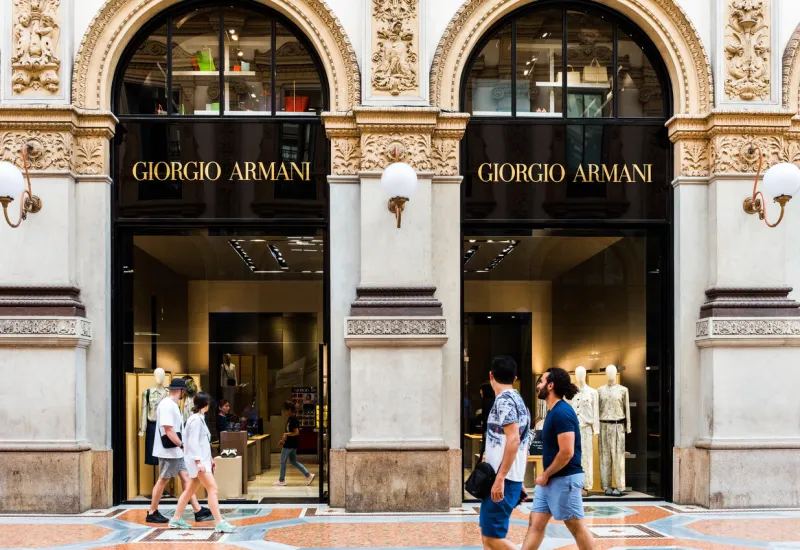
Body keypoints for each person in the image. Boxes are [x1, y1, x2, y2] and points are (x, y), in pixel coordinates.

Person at [522, 367, 594, 550]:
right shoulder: (553, 411)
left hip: (565, 479)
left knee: (576, 527)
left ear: (551, 385)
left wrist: (545, 475)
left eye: (541, 381)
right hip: (550, 481)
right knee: (535, 524)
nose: (538, 385)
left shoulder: (562, 412)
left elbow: (567, 452)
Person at [480, 356, 530, 550]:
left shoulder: (504, 401)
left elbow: (515, 439)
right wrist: (520, 479)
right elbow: (525, 442)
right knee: (489, 538)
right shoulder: (520, 402)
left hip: (503, 480)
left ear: (490, 375)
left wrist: (501, 477)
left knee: (492, 538)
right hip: (509, 478)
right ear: (515, 377)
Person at [146, 378, 212, 524]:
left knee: (186, 477)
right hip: (169, 450)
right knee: (163, 479)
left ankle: (198, 510)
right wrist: (183, 445)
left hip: (175, 450)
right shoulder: (167, 405)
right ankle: (152, 511)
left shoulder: (172, 405)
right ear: (181, 391)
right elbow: (169, 430)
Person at [168, 392, 235, 533]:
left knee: (190, 490)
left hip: (201, 461)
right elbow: (193, 443)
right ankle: (219, 522)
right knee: (213, 489)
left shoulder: (198, 419)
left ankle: (176, 518)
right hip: (198, 463)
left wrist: (209, 459)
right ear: (205, 404)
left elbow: (202, 442)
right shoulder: (196, 420)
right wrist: (199, 461)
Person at [272, 401, 315, 487]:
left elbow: (296, 432)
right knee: (293, 461)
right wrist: (283, 439)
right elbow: (289, 432)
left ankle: (281, 480)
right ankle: (308, 475)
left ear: (289, 410)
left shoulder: (293, 419)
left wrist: (285, 434)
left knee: (282, 461)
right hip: (290, 443)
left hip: (290, 444)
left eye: (285, 410)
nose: (284, 412)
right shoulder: (290, 419)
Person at [478, 382, 495, 459]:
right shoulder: (492, 400)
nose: (480, 392)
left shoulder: (486, 401)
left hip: (488, 429)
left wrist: (485, 429)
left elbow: (486, 417)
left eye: (481, 390)